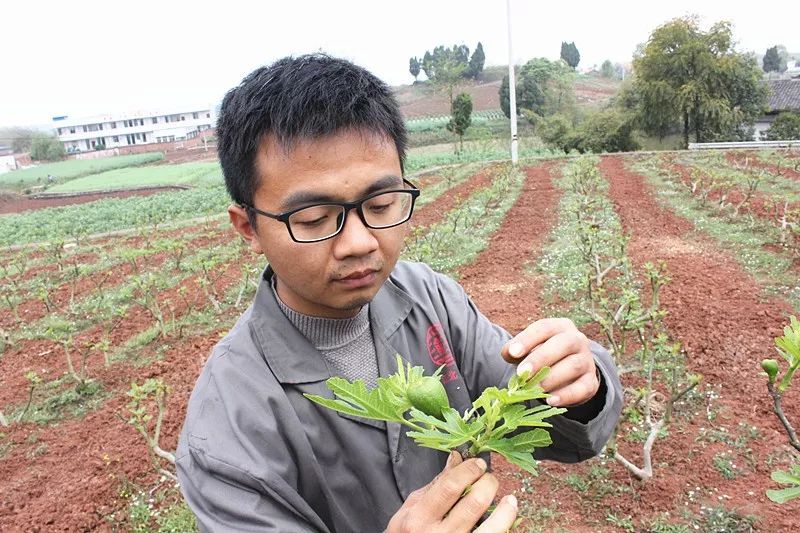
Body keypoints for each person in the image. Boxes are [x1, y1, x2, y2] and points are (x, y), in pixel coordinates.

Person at [176, 54, 622, 533]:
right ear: (248, 227)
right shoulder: (226, 433)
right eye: (312, 218)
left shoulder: (428, 298)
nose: (359, 243)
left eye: (381, 204)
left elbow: (535, 413)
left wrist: (579, 384)